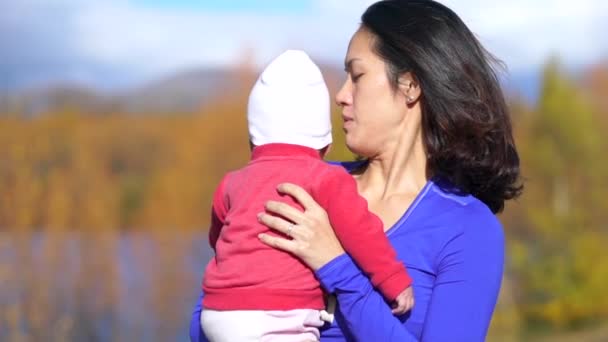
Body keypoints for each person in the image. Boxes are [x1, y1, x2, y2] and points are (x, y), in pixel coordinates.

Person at [191, 0, 522, 341]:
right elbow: (212, 310)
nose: (341, 95)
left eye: (357, 75)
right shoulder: (301, 187)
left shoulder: (467, 229)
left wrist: (336, 267)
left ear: (409, 85)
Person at [200, 49, 414, 342]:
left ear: (253, 140)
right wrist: (394, 280)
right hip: (278, 312)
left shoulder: (232, 182)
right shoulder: (326, 179)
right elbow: (362, 234)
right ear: (325, 143)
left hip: (217, 312)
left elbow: (218, 238)